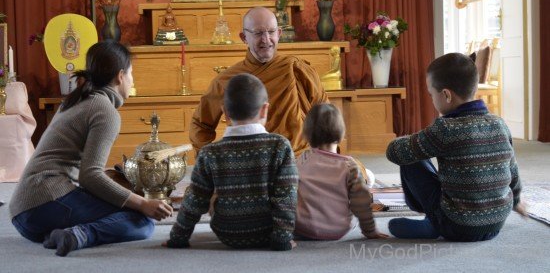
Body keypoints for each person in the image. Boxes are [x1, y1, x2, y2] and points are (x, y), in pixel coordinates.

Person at [9, 41, 173, 257]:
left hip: (23, 215)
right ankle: (79, 235)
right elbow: (90, 176)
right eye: (132, 74)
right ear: (120, 76)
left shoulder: (76, 100)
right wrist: (143, 203)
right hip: (46, 202)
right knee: (141, 221)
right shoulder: (104, 110)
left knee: (128, 209)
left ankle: (59, 233)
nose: (133, 80)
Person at [385, 53, 526, 241]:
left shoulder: (445, 129)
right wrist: (516, 201)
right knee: (419, 150)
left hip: (455, 224)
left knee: (409, 155)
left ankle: (433, 222)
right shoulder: (499, 123)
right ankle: (436, 220)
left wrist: (406, 139)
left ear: (446, 95)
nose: (432, 100)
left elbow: (394, 153)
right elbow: (513, 172)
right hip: (495, 224)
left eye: (431, 94)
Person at [164, 73, 299, 251]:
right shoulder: (280, 146)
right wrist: (283, 239)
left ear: (225, 112)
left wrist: (178, 238)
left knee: (205, 194)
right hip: (268, 231)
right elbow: (286, 197)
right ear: (265, 109)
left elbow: (194, 200)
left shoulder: (209, 152)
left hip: (227, 233)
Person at [190, 6, 328, 156]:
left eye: (271, 32)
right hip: (248, 166)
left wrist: (327, 156)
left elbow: (326, 116)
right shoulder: (226, 80)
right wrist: (210, 161)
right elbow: (200, 124)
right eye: (258, 33)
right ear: (244, 38)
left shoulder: (297, 69)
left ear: (279, 34)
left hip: (298, 162)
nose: (266, 40)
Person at [294, 103, 388, 240]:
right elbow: (361, 203)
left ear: (306, 135)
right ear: (341, 134)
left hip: (302, 228)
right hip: (337, 230)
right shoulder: (349, 166)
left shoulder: (301, 160)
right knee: (368, 178)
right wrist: (370, 231)